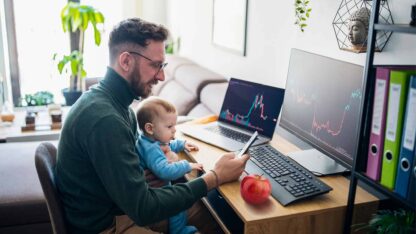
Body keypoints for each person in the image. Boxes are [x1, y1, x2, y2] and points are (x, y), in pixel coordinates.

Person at [55, 17, 249, 234]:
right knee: (220, 215)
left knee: (220, 214)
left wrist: (139, 172)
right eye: (156, 65)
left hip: (121, 207)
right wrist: (215, 177)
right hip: (109, 225)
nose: (162, 75)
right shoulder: (105, 119)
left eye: (162, 65)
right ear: (126, 61)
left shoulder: (117, 105)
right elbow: (144, 209)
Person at [135, 96, 203, 234]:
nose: (174, 130)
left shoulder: (148, 140)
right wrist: (187, 165)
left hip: (154, 190)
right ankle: (179, 231)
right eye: (169, 126)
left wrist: (182, 144)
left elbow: (166, 144)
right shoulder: (151, 150)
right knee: (177, 204)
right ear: (150, 128)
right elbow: (164, 171)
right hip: (154, 194)